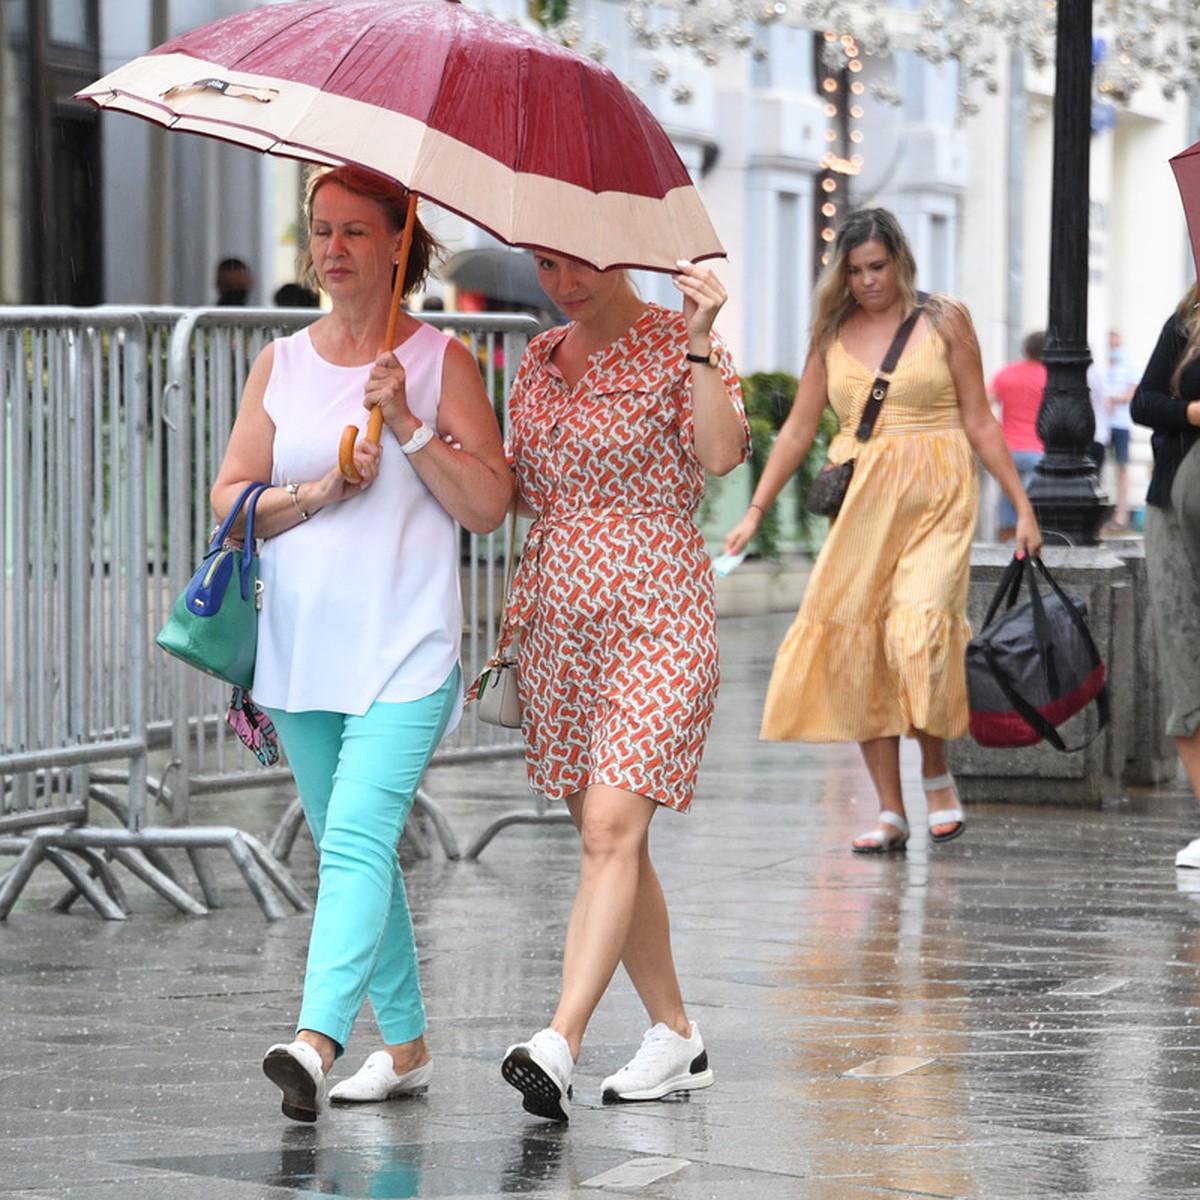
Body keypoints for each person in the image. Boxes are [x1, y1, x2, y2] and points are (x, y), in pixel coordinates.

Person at [211, 164, 512, 1122]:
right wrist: (319, 494)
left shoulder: (438, 363)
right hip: (297, 659)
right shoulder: (281, 363)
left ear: (398, 244)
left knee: (351, 843)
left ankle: (316, 1036)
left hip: (405, 657)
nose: (332, 249)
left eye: (354, 232)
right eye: (321, 230)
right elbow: (229, 502)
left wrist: (410, 427)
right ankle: (411, 1046)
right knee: (361, 851)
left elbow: (491, 504)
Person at [493, 252, 750, 1122]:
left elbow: (721, 456)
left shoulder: (681, 341)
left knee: (609, 827)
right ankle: (677, 1035)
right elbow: (519, 490)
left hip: (659, 611)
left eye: (579, 264)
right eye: (546, 263)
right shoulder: (537, 359)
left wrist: (704, 341)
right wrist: (413, 426)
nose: (561, 279)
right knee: (616, 844)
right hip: (560, 622)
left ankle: (558, 1041)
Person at [724, 207, 1043, 854]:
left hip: (938, 494)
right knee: (861, 643)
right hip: (863, 499)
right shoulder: (831, 333)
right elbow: (796, 429)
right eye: (856, 270)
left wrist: (1023, 506)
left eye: (878, 266)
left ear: (900, 258)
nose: (869, 280)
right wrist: (756, 510)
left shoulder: (945, 320)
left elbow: (981, 420)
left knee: (918, 630)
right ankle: (889, 809)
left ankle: (934, 774)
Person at [1130, 283, 1200, 869]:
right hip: (1174, 514)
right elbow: (1144, 403)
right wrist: (1193, 412)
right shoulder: (1187, 322)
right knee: (1185, 656)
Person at [988, 330, 1045, 538]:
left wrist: (995, 430)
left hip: (1008, 448)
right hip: (1038, 450)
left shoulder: (1007, 373)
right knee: (1030, 503)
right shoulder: (1050, 378)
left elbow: (984, 403)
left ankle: (1006, 542)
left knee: (1008, 497)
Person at [1106, 330, 1139, 528]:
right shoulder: (1101, 365)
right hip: (1103, 425)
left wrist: (1111, 399)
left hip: (1121, 423)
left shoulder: (1130, 365)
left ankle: (1122, 512)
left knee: (1122, 467)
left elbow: (1131, 393)